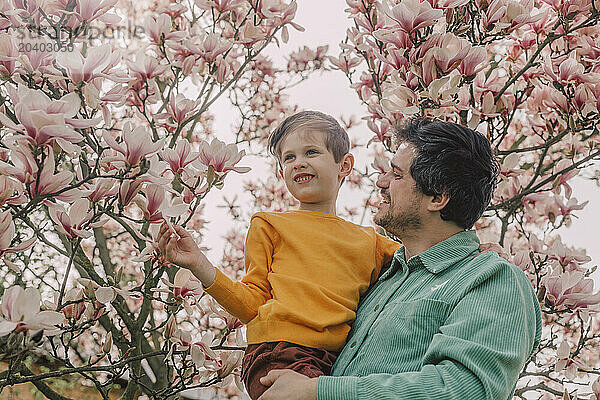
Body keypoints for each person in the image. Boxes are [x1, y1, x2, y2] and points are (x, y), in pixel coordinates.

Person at [256, 117, 543, 400]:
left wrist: (318, 390)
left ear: (438, 197)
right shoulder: (380, 277)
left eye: (396, 175)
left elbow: (465, 389)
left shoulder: (491, 278)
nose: (381, 181)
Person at [157, 110, 401, 399]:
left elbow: (425, 255)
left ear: (344, 165)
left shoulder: (373, 242)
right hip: (279, 352)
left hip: (339, 359)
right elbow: (251, 304)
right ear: (281, 172)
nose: (299, 163)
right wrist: (199, 263)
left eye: (311, 152)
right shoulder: (270, 226)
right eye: (288, 157)